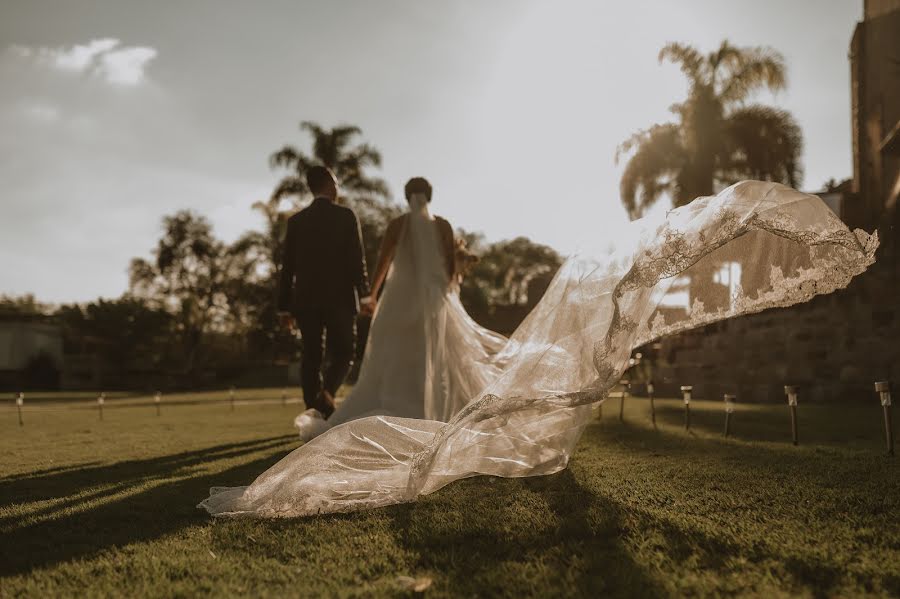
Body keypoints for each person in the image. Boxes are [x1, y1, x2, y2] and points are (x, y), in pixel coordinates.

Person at [293, 176, 507, 440]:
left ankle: (397, 403)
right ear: (429, 196)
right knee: (439, 354)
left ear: (407, 197)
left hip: (399, 300)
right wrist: (447, 288)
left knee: (393, 355)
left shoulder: (397, 225)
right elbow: (450, 266)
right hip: (433, 301)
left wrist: (370, 296)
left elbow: (383, 263)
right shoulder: (442, 225)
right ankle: (438, 408)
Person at [277, 165, 372, 419]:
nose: (338, 188)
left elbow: (287, 268)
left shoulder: (296, 221)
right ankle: (327, 394)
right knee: (345, 353)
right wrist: (365, 295)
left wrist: (283, 307)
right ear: (330, 184)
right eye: (337, 183)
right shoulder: (346, 216)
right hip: (340, 299)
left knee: (311, 356)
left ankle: (314, 410)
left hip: (305, 300)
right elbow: (356, 259)